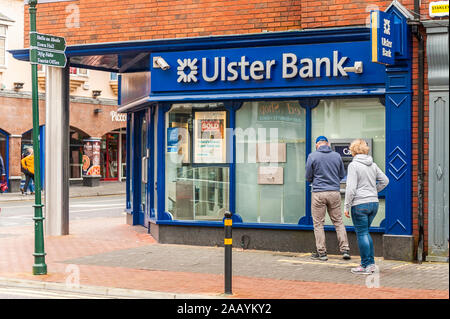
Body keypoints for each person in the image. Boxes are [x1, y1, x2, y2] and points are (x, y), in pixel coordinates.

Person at [344, 139, 389, 274]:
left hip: (360, 204)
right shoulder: (372, 164)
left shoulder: (354, 165)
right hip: (373, 204)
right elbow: (385, 181)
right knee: (365, 232)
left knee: (362, 233)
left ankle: (365, 265)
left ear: (353, 151)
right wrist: (374, 191)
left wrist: (346, 206)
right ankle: (371, 264)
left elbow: (350, 188)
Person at [306, 136, 350, 261]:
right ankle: (345, 250)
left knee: (318, 224)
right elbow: (342, 174)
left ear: (317, 144)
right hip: (334, 192)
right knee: (338, 222)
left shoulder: (312, 156)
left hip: (318, 193)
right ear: (328, 144)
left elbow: (308, 176)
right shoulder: (336, 156)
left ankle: (322, 253)